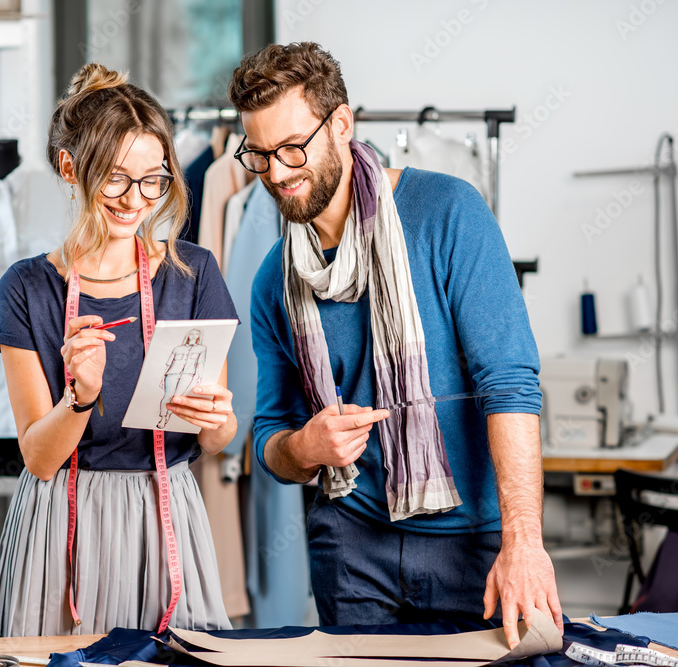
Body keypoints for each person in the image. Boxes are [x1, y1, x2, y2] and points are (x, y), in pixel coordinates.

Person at [229, 42, 562, 647]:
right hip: (351, 546)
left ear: (343, 124)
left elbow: (510, 384)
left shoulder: (448, 213)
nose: (276, 172)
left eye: (292, 148)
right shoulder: (273, 279)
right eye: (259, 154)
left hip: (474, 545)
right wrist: (303, 445)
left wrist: (525, 543)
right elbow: (269, 439)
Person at [0, 63, 238, 637]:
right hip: (60, 528)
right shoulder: (27, 289)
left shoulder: (194, 274)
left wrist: (218, 420)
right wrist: (81, 397)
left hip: (167, 511)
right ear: (71, 167)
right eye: (116, 178)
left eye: (154, 179)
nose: (137, 200)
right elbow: (40, 459)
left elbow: (219, 439)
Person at [158, 329, 206, 430]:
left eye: (196, 333)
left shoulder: (202, 348)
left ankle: (168, 416)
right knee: (167, 396)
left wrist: (199, 377)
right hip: (172, 373)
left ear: (199, 336)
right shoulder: (177, 349)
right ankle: (163, 417)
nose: (194, 335)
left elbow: (200, 363)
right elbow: (168, 364)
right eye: (192, 333)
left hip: (188, 375)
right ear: (188, 335)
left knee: (177, 398)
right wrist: (162, 377)